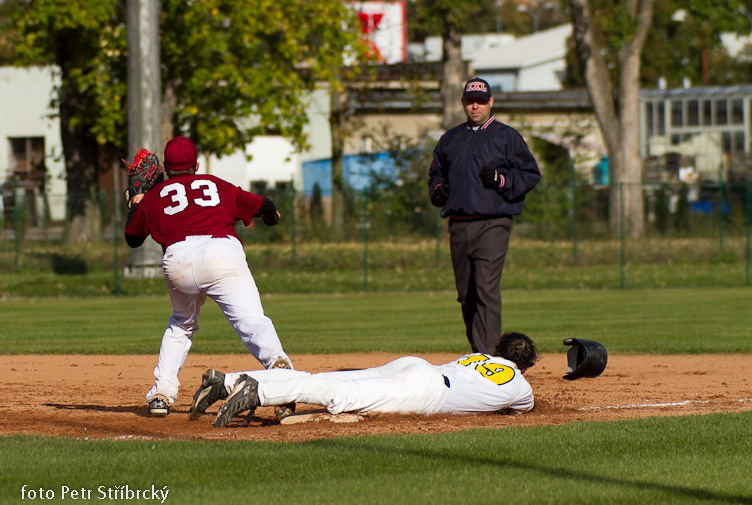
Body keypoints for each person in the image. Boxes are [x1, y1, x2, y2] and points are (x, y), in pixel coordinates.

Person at [124, 136, 294, 418]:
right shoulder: (215, 185)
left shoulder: (156, 196)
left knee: (181, 325)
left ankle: (161, 395)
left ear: (165, 167)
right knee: (251, 321)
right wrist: (271, 216)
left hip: (178, 259)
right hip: (220, 253)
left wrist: (138, 201)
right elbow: (264, 205)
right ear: (197, 166)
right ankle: (279, 371)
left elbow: (132, 239)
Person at [188, 331, 539, 428]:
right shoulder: (521, 386)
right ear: (526, 365)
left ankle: (230, 380)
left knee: (322, 379)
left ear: (499, 348)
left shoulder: (478, 357)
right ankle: (259, 391)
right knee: (340, 395)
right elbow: (522, 409)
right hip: (425, 392)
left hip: (416, 367)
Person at [427, 77, 541, 355]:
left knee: (486, 290)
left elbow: (530, 174)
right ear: (463, 103)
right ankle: (479, 353)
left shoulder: (506, 136)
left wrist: (501, 179)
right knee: (467, 295)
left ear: (491, 102)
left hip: (493, 223)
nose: (475, 106)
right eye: (470, 101)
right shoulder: (450, 139)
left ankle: (489, 358)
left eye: (480, 101)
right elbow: (435, 174)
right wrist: (438, 189)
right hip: (459, 225)